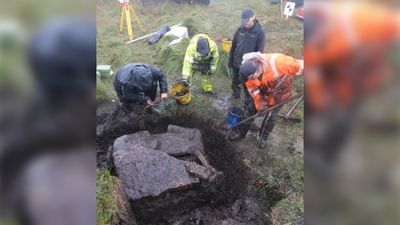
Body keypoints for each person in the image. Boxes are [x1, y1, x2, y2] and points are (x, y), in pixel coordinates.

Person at [228, 52, 304, 147]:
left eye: (252, 77)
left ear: (256, 72)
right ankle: (241, 133)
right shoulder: (248, 76)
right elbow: (254, 92)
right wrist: (260, 106)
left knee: (271, 117)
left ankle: (262, 138)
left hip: (280, 94)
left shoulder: (280, 63)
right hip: (263, 92)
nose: (251, 80)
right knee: (250, 111)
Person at [228, 7, 265, 99]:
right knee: (235, 81)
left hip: (248, 66)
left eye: (247, 20)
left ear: (253, 17)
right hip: (236, 62)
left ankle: (247, 100)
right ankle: (235, 94)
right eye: (243, 21)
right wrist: (230, 60)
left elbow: (260, 53)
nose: (245, 23)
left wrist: (258, 69)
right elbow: (234, 46)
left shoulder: (260, 32)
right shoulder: (240, 29)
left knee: (247, 84)